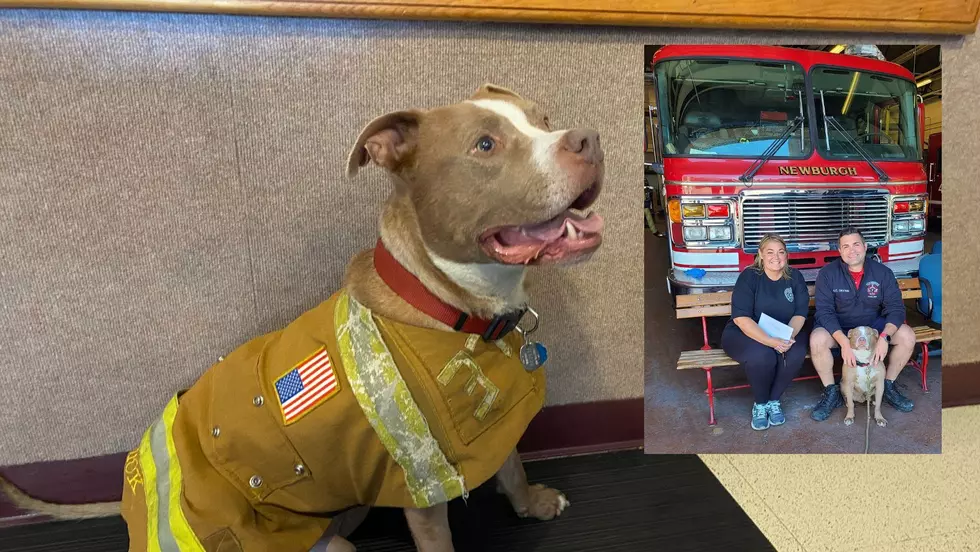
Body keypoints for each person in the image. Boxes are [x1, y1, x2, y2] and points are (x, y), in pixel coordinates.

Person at [809, 227, 917, 421]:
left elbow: (896, 308)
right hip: (840, 327)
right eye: (846, 246)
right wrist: (843, 342)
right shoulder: (827, 274)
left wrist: (884, 336)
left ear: (865, 247)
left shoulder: (882, 273)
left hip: (873, 327)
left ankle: (888, 386)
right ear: (840, 251)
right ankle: (831, 393)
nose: (852, 250)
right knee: (817, 339)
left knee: (907, 336)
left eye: (856, 244)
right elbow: (824, 312)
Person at [722, 234, 810, 431]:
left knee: (795, 352)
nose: (776, 257)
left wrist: (787, 337)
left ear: (786, 255)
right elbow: (741, 318)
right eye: (770, 252)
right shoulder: (749, 276)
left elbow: (800, 313)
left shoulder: (795, 277)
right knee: (763, 355)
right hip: (746, 332)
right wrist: (770, 341)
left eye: (781, 252)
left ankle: (773, 400)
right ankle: (760, 404)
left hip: (784, 331)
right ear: (761, 254)